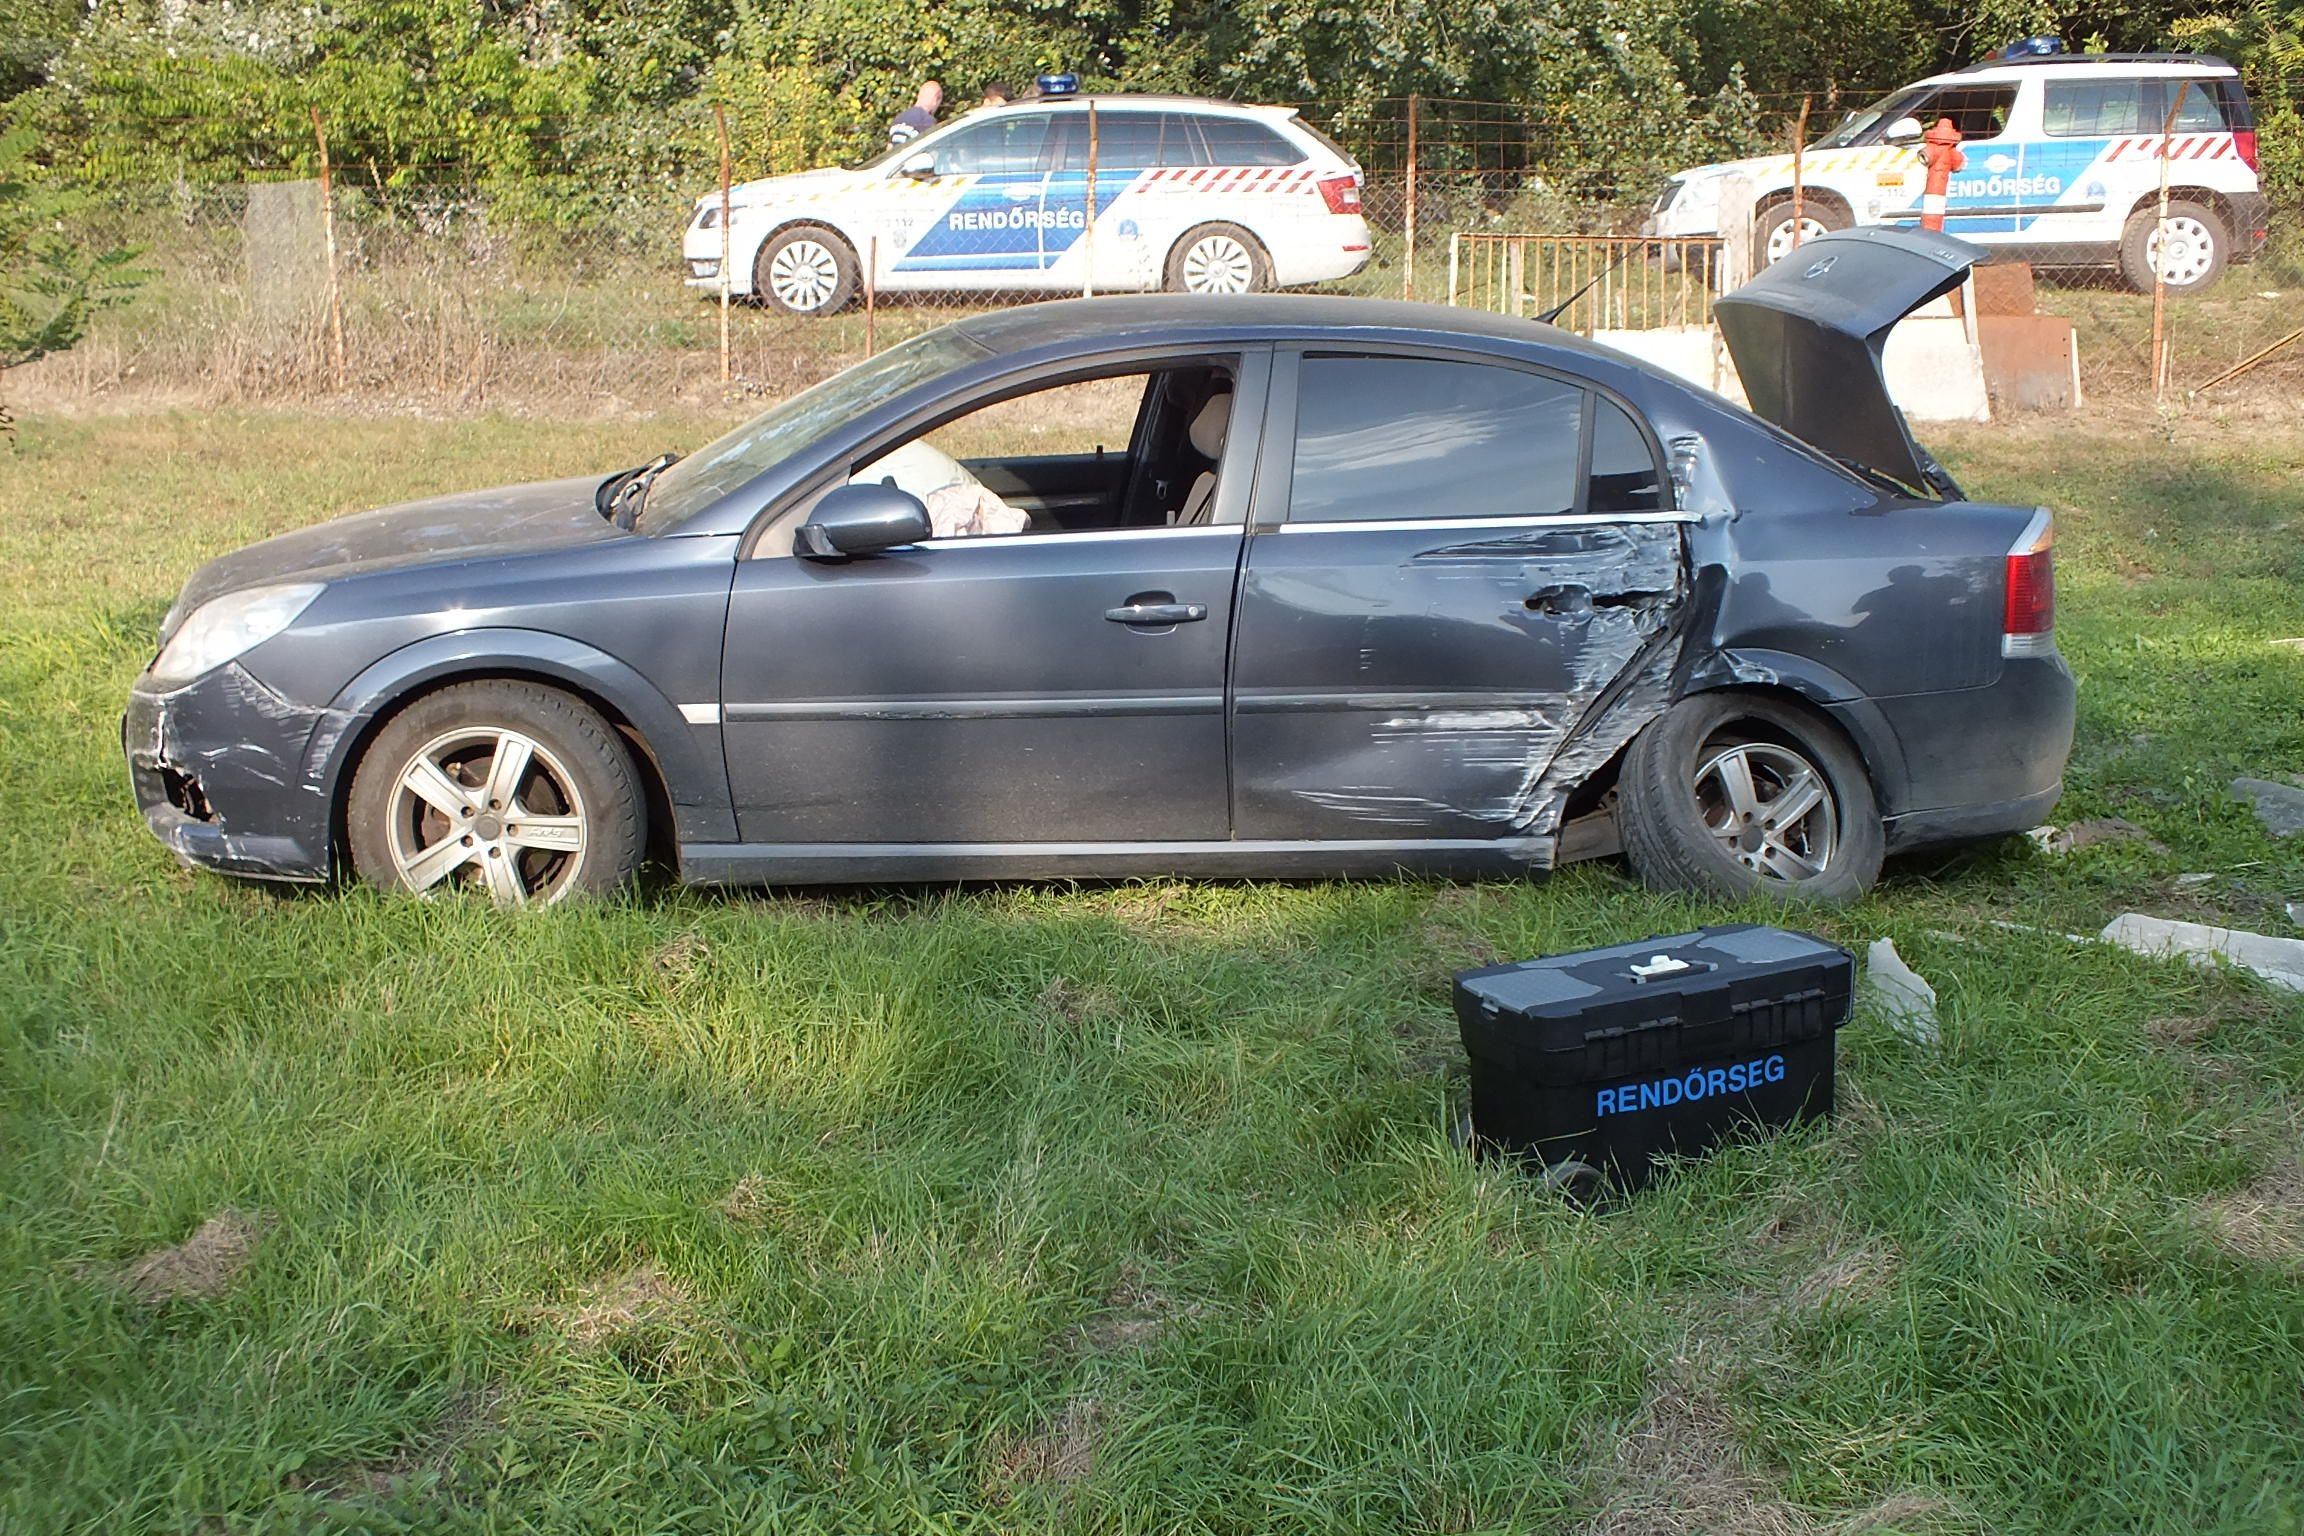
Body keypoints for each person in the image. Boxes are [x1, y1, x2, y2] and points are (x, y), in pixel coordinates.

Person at [887, 81, 942, 146]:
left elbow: (889, 147)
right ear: (935, 99)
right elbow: (933, 148)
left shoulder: (899, 118)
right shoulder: (927, 121)